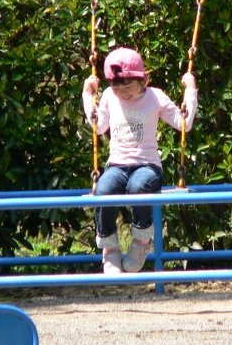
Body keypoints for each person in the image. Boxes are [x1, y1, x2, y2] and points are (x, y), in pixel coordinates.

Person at [82, 47, 198, 274]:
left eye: (128, 87)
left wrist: (191, 90)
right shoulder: (109, 96)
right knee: (103, 190)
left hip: (147, 166)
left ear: (143, 79)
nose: (122, 93)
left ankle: (141, 241)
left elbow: (183, 123)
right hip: (117, 165)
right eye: (117, 88)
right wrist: (88, 94)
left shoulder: (155, 97)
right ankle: (109, 248)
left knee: (139, 186)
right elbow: (98, 127)